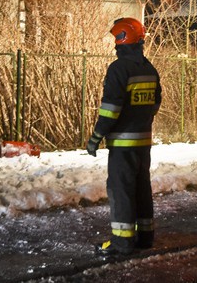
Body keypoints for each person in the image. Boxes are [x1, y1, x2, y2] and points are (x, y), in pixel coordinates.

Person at [86, 17, 162, 257]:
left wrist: (96, 136)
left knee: (121, 190)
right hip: (143, 142)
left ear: (122, 38)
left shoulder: (119, 69)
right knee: (142, 188)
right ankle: (145, 237)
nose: (114, 44)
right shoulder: (149, 68)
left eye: (116, 39)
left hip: (122, 143)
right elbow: (155, 103)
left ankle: (122, 242)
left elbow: (110, 109)